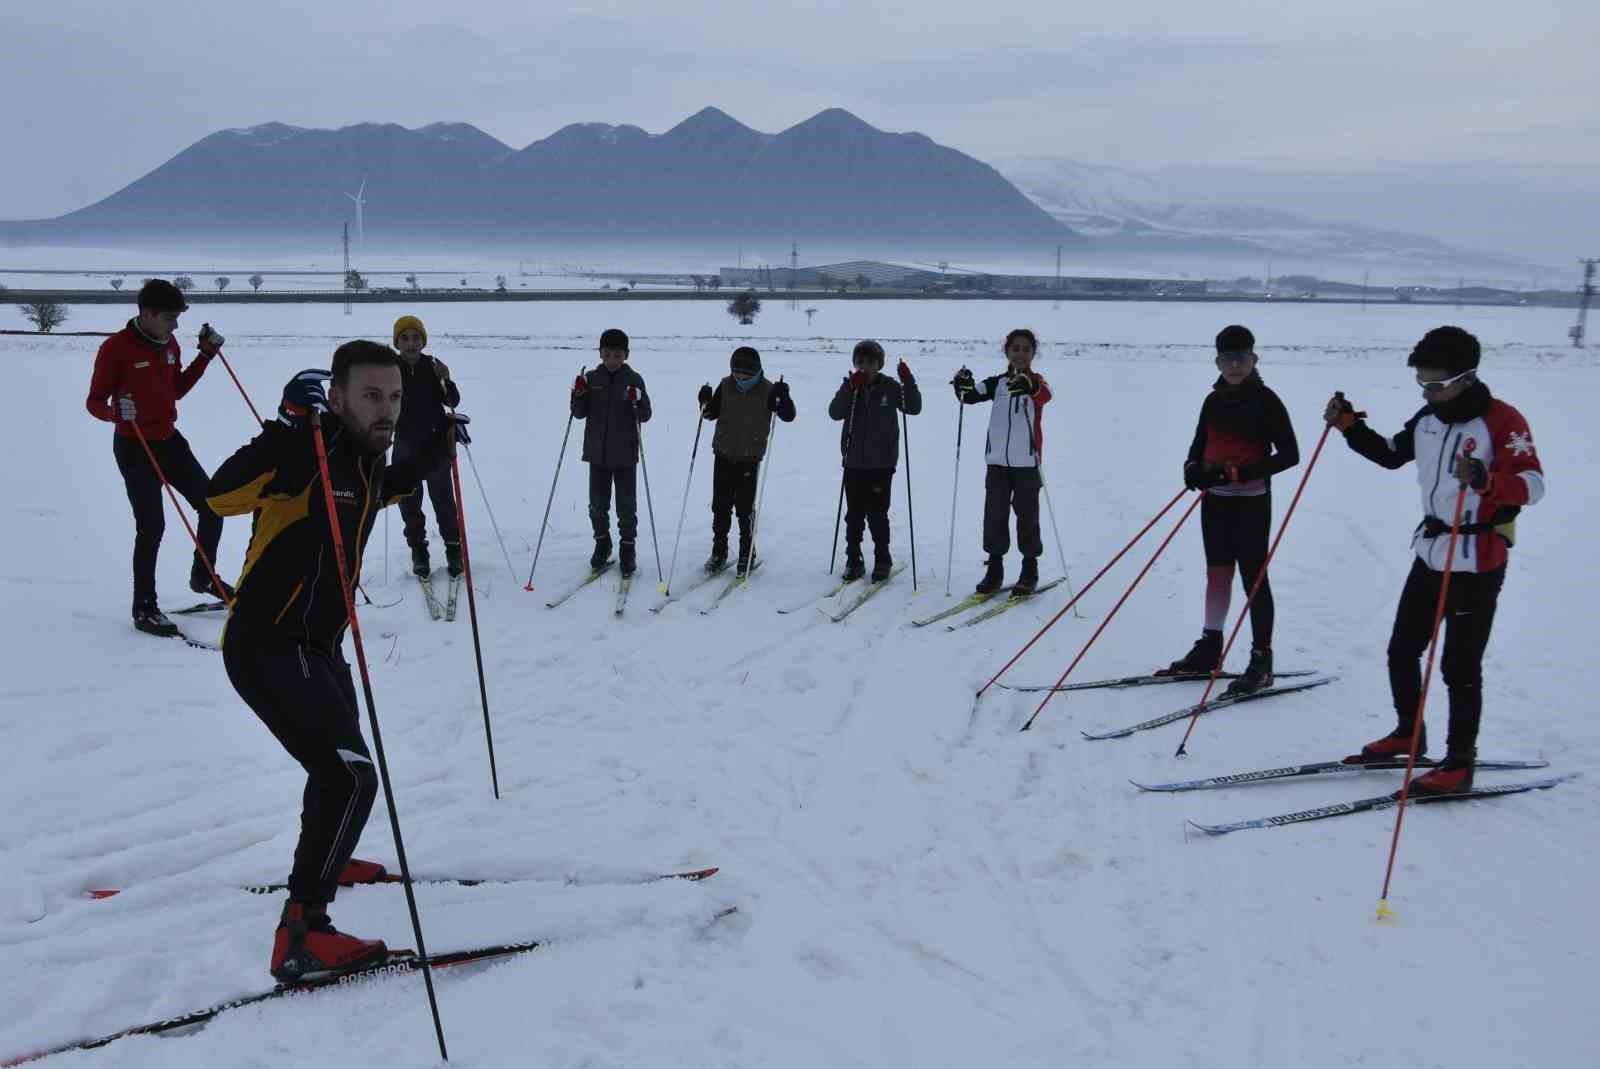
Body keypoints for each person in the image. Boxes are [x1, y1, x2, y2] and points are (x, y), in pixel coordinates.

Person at [207, 342, 468, 979]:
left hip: (318, 647)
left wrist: (439, 444)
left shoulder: (365, 463)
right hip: (267, 644)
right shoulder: (305, 457)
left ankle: (329, 853)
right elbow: (220, 496)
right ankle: (301, 934)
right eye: (372, 397)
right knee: (350, 777)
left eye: (395, 398)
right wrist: (289, 428)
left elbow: (397, 483)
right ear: (340, 398)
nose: (387, 410)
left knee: (335, 769)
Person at [1326, 326, 1544, 795]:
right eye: (1422, 383)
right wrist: (1350, 427)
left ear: (1467, 377)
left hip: (1478, 559)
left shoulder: (1503, 421)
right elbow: (1390, 455)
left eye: (1436, 383)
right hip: (1431, 553)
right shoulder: (1428, 417)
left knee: (1459, 667)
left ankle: (1460, 763)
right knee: (1402, 650)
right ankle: (1410, 733)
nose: (1428, 391)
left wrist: (1487, 480)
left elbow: (1533, 486)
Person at [86, 278, 233, 637]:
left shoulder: (169, 345)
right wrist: (115, 413)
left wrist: (205, 356)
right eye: (170, 317)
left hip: (170, 441)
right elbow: (94, 402)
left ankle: (204, 575)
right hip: (135, 446)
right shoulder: (115, 349)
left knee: (213, 504)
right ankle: (144, 608)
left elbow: (176, 390)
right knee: (152, 527)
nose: (176, 325)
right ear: (147, 314)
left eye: (178, 317)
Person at [1162, 325, 1300, 696]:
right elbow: (1199, 442)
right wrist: (1192, 468)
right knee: (1217, 573)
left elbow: (1289, 455)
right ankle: (1210, 646)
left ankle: (1261, 658)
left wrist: (1245, 473)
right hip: (1216, 500)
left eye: (1241, 358)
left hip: (1252, 502)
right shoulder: (1213, 400)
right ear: (1218, 361)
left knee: (1254, 578)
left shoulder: (1266, 400)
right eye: (1227, 359)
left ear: (1253, 360)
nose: (1234, 365)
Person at [952, 328, 1051, 595]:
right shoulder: (997, 383)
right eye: (1015, 348)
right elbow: (970, 395)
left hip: (1027, 465)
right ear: (1007, 351)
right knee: (994, 516)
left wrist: (1030, 386)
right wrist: (961, 383)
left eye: (1026, 349)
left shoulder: (1037, 382)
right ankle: (994, 570)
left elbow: (1044, 395)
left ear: (1033, 354)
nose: (1020, 353)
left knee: (1027, 518)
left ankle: (1029, 569)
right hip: (996, 464)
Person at [696, 346, 796, 575]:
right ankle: (719, 551)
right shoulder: (726, 385)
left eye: (745, 374)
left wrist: (785, 397)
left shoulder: (768, 389)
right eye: (736, 372)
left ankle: (746, 551)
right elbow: (711, 413)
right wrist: (704, 401)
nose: (739, 377)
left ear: (756, 371)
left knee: (744, 507)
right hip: (723, 453)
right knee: (720, 506)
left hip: (749, 457)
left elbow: (788, 415)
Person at [827, 340, 921, 582]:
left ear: (879, 364)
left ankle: (882, 557)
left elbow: (913, 407)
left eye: (870, 362)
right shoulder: (851, 387)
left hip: (882, 463)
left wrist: (907, 381)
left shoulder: (890, 387)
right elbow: (835, 412)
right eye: (860, 362)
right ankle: (853, 557)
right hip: (854, 462)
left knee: (878, 513)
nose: (865, 367)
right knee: (855, 514)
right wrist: (849, 388)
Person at [572, 328, 652, 577]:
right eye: (607, 355)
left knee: (626, 507)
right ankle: (602, 543)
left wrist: (637, 400)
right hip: (596, 454)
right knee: (597, 505)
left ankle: (628, 548)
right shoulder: (593, 378)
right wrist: (578, 393)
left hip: (625, 454)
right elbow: (578, 412)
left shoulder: (634, 379)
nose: (612, 360)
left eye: (617, 355)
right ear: (600, 353)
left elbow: (646, 415)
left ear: (626, 355)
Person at [392, 315, 463, 582]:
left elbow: (452, 400)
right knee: (408, 502)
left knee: (444, 501)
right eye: (405, 338)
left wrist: (446, 378)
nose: (411, 344)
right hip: (404, 445)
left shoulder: (432, 366)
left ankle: (454, 550)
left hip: (435, 446)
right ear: (397, 341)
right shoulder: (389, 368)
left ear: (423, 341)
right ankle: (419, 551)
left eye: (416, 338)